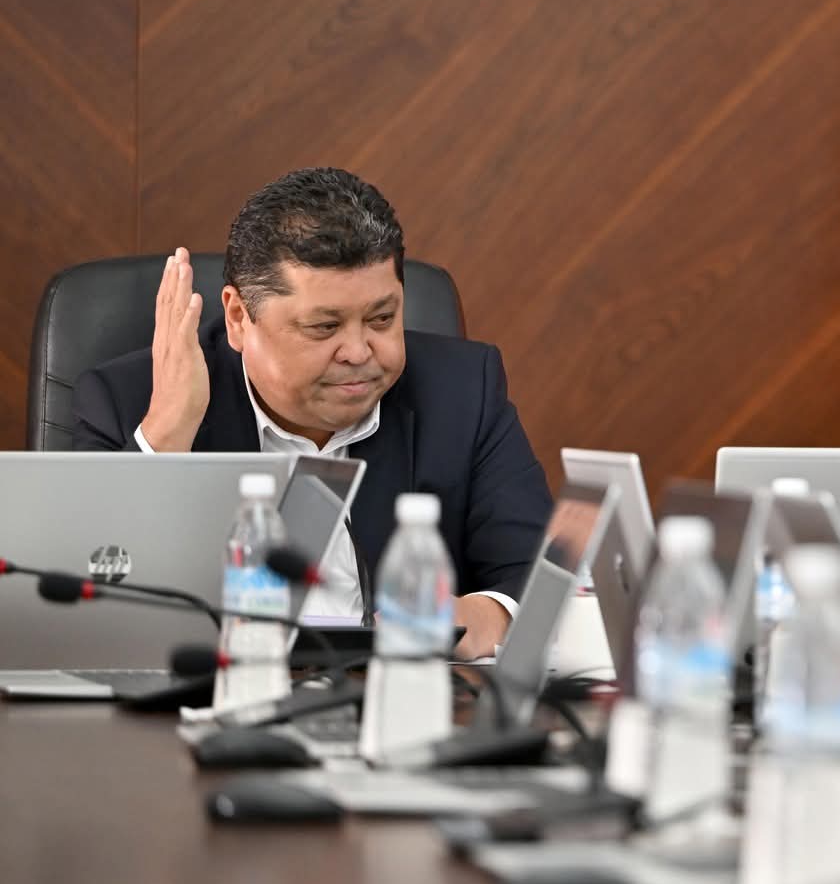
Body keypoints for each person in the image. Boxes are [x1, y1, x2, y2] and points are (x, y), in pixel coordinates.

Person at [71, 168, 552, 660]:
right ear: (238, 318)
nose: (359, 352)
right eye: (324, 327)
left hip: (398, 691)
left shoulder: (463, 391)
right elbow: (77, 612)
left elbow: (537, 570)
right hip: (214, 694)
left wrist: (488, 614)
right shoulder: (129, 401)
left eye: (382, 319)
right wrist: (168, 433)